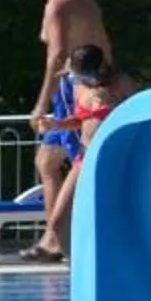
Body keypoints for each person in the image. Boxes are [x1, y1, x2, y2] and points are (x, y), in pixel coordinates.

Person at [24, 45, 135, 265]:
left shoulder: (122, 84)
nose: (82, 80)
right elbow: (80, 120)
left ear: (100, 68)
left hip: (113, 156)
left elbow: (138, 114)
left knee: (111, 212)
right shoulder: (79, 88)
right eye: (77, 76)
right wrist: (56, 124)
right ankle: (78, 267)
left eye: (85, 75)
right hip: (85, 157)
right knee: (57, 222)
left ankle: (115, 261)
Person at [25, 0, 112, 208]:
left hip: (71, 87)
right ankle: (55, 236)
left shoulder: (57, 4)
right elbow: (104, 44)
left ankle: (67, 236)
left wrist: (40, 106)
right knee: (47, 162)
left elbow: (57, 54)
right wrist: (107, 80)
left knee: (82, 163)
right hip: (88, 81)